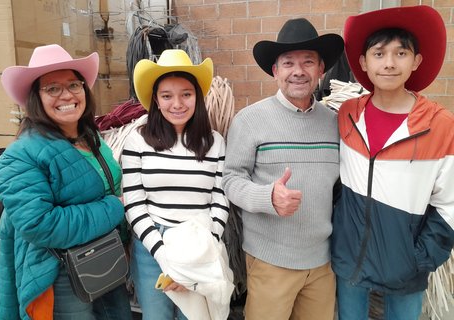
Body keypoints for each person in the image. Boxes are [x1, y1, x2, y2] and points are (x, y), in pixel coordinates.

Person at [0, 44, 132, 320]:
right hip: (60, 273)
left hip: (105, 257)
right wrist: (115, 207)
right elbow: (40, 224)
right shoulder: (22, 154)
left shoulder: (90, 136)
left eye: (74, 85)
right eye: (52, 88)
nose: (66, 95)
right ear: (36, 98)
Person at [331, 5, 454, 320]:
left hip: (406, 267)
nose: (388, 63)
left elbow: (450, 205)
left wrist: (419, 258)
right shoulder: (348, 115)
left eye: (400, 54)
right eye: (379, 53)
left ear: (416, 62)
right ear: (363, 62)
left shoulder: (440, 126)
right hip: (350, 261)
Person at [222, 18, 344, 320]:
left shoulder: (334, 124)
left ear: (321, 69)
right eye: (288, 63)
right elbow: (231, 179)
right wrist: (268, 197)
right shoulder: (249, 120)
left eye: (308, 62)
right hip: (270, 261)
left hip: (322, 264)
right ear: (275, 71)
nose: (298, 71)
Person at [122, 49, 233, 320]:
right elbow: (134, 203)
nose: (177, 103)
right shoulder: (137, 141)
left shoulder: (215, 142)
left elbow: (220, 197)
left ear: (197, 97)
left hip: (200, 243)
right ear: (156, 101)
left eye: (186, 94)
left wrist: (207, 246)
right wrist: (165, 257)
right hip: (152, 246)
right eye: (166, 95)